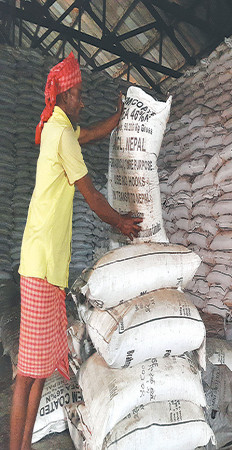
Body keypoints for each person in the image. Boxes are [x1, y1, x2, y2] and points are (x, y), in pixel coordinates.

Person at [9, 52, 142, 450]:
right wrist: (121, 222)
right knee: (27, 373)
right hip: (40, 265)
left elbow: (88, 134)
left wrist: (116, 122)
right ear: (65, 95)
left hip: (49, 267)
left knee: (40, 368)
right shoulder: (60, 134)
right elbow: (92, 194)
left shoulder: (59, 126)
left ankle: (24, 445)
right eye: (79, 94)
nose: (82, 100)